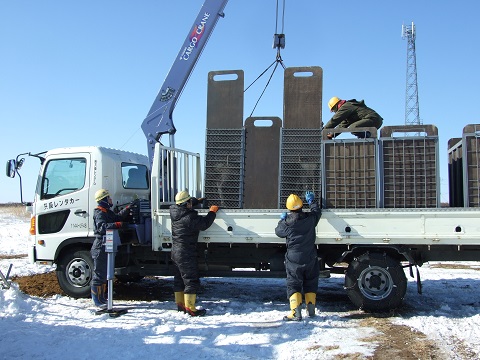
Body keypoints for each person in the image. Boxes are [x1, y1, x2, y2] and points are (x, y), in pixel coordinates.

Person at [170, 190, 219, 316]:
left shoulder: (175, 212)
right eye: (190, 202)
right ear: (187, 204)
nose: (191, 203)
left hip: (176, 251)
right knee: (191, 280)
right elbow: (204, 224)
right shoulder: (189, 217)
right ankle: (191, 309)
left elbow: (185, 205)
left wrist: (198, 200)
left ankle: (180, 305)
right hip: (186, 252)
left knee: (179, 280)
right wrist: (212, 212)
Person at [275, 191, 322, 321]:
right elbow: (317, 211)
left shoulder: (287, 223)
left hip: (294, 257)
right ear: (302, 205)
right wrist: (312, 201)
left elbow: (278, 232)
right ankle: (311, 310)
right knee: (311, 281)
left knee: (294, 283)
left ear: (289, 208)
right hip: (310, 255)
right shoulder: (311, 218)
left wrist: (282, 219)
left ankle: (295, 313)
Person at [91, 189, 131, 307]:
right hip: (100, 246)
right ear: (103, 200)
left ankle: (102, 297)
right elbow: (102, 227)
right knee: (99, 273)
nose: (110, 200)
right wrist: (118, 225)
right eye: (108, 198)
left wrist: (127, 209)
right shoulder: (99, 212)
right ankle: (97, 300)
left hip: (105, 245)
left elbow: (116, 217)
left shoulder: (107, 211)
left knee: (104, 273)